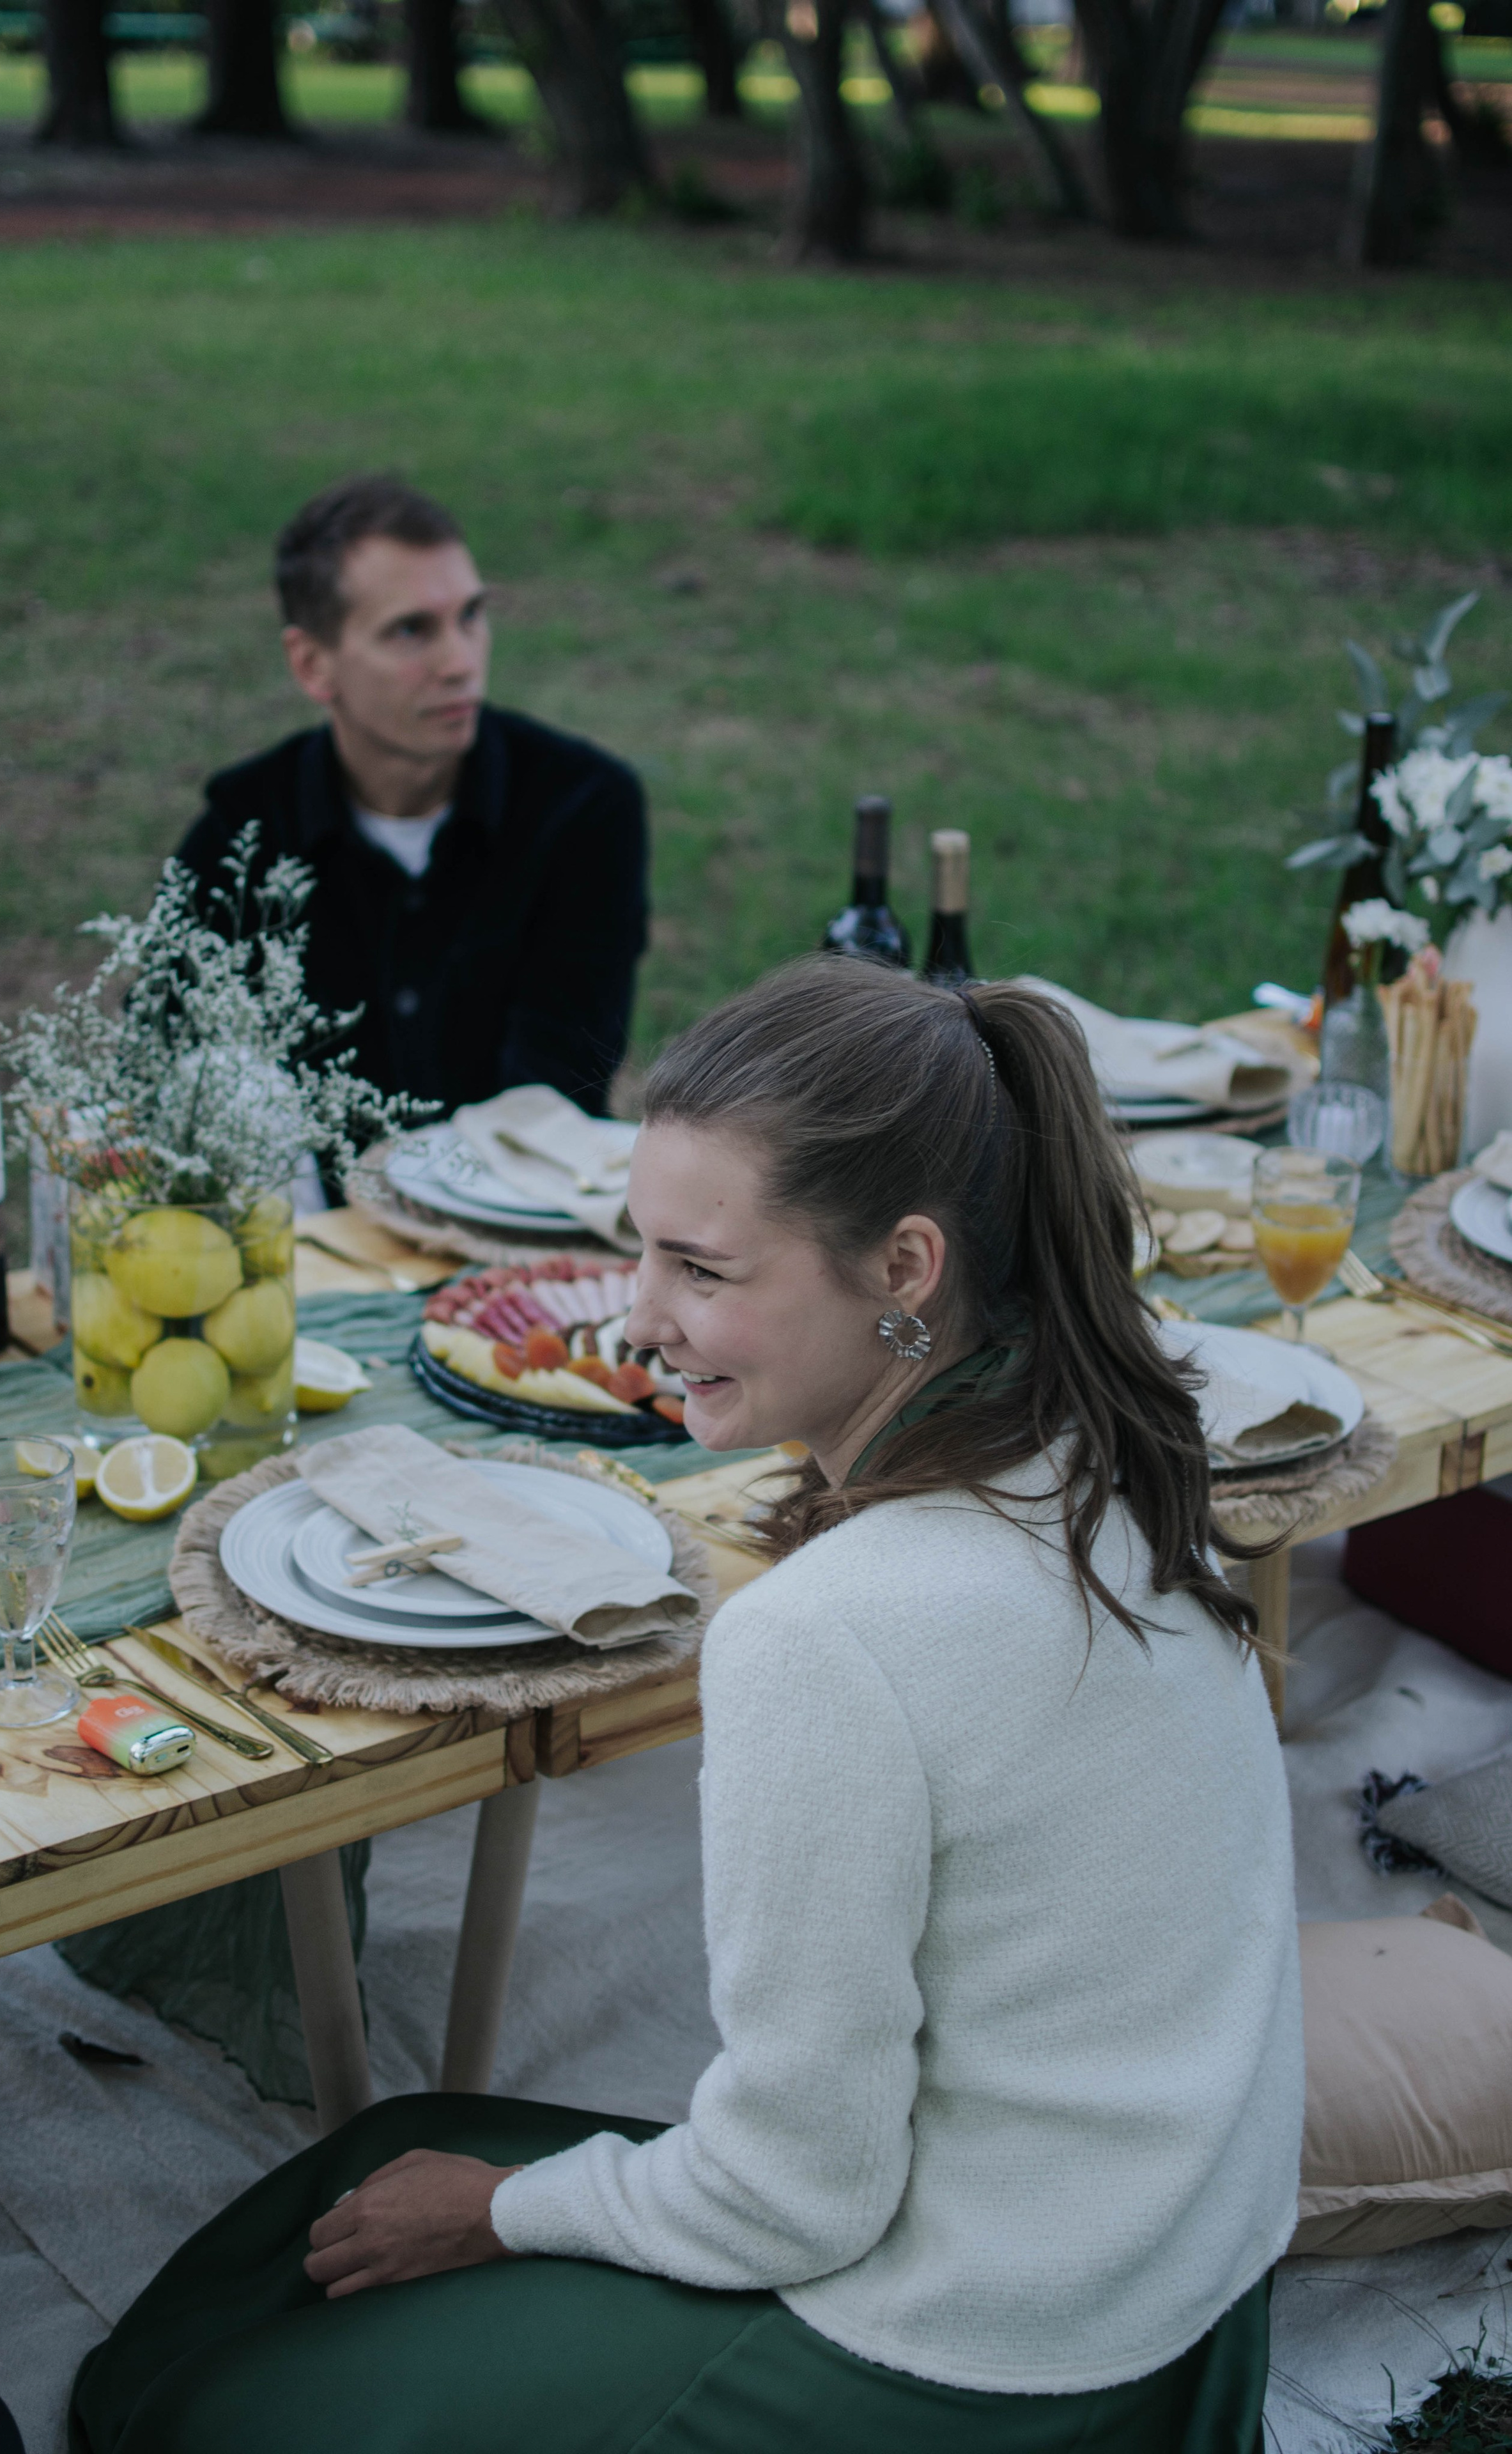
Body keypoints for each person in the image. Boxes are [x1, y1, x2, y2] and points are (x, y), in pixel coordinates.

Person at [70, 961, 1304, 2454]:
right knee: (392, 2149)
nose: (637, 1321)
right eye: (636, 1251)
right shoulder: (1110, 1445)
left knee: (199, 2404)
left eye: (701, 1270)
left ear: (904, 1267)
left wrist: (512, 2212)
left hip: (981, 2357)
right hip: (1187, 2296)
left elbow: (796, 2192)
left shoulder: (824, 1633)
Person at [176, 475, 648, 1118]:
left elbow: (555, 1088)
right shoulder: (245, 832)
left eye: (471, 616)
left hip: (512, 1209)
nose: (460, 663)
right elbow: (172, 1070)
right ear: (313, 665)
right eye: (410, 631)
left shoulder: (583, 807)